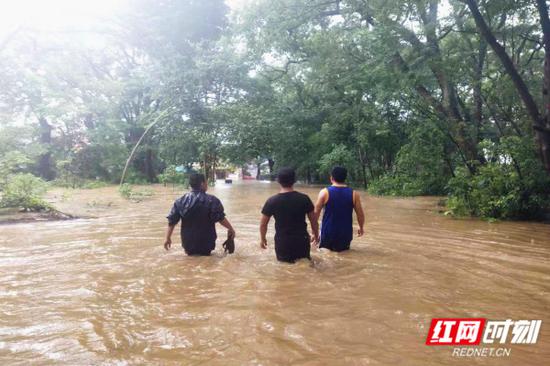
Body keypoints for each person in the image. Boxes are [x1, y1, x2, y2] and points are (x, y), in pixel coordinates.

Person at [164, 173, 235, 256]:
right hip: (207, 243)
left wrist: (168, 238)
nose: (207, 184)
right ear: (202, 184)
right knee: (207, 262)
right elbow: (220, 219)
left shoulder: (180, 201)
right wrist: (231, 229)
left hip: (188, 243)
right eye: (206, 182)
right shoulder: (212, 200)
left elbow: (172, 221)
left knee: (190, 261)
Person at [260, 167, 319, 263]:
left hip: (283, 242)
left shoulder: (272, 201)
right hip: (302, 240)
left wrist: (263, 239)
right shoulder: (304, 199)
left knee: (284, 270)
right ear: (294, 180)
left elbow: (263, 224)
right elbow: (314, 221)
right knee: (304, 267)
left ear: (278, 181)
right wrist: (316, 236)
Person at [313, 166, 365, 252]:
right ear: (345, 178)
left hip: (328, 233)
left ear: (331, 178)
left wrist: (314, 233)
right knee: (344, 256)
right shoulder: (354, 194)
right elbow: (360, 214)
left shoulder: (324, 192)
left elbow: (315, 214)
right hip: (345, 234)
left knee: (326, 257)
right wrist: (361, 227)